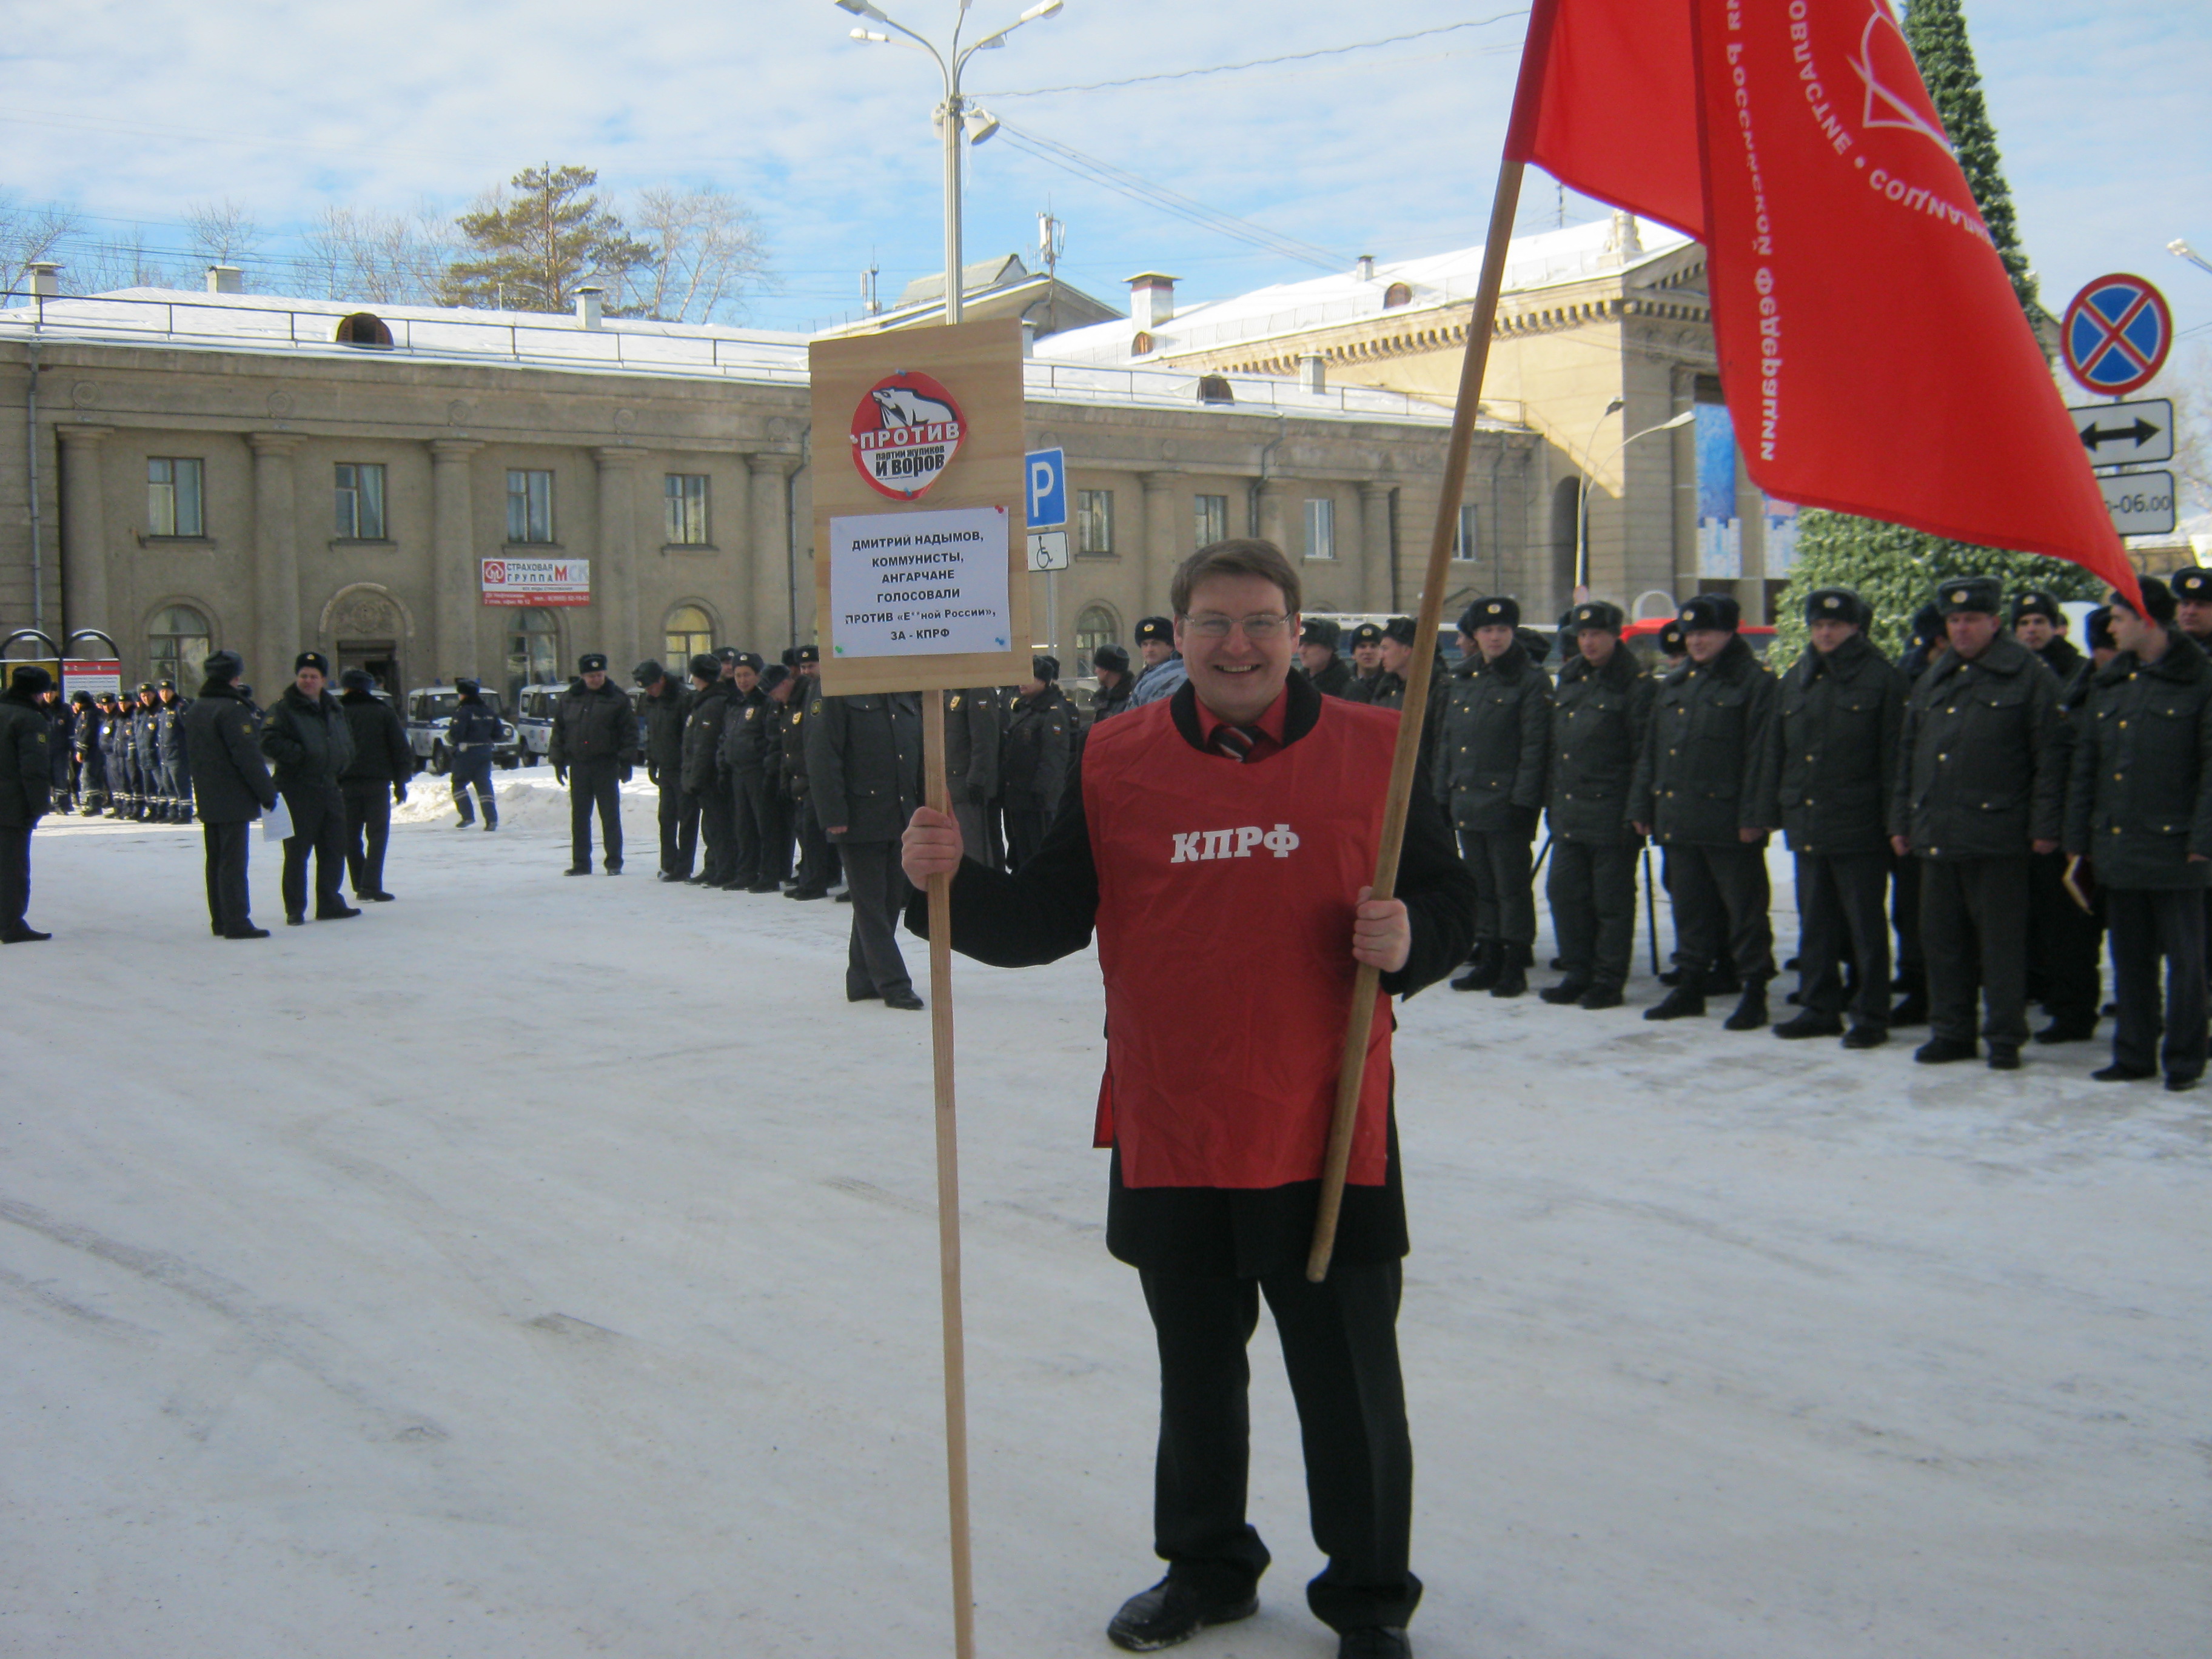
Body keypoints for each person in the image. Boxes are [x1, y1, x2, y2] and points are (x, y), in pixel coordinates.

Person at [900, 538, 1473, 1659]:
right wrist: (944, 884)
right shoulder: (1116, 758)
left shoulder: (1377, 747)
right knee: (1196, 1371)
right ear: (1179, 633)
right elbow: (1052, 914)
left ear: (1297, 632)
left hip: (1326, 1116)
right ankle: (1206, 1566)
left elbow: (1455, 896)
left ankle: (1365, 1597)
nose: (1239, 643)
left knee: (1347, 1384)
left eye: (1261, 620)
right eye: (1213, 621)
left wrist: (1415, 939)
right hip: (1176, 1113)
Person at [1891, 577, 2065, 1070]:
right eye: (1954, 620)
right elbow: (1909, 754)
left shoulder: (2028, 676)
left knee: (2001, 946)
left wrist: (2044, 826)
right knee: (1942, 942)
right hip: (1937, 834)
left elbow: (2050, 758)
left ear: (1994, 622)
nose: (1962, 628)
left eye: (1972, 619)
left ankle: (2005, 1036)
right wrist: (1901, 816)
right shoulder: (1933, 678)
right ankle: (1952, 1030)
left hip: (1999, 836)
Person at [2063, 578, 2209, 1090]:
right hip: (2119, 843)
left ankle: (2186, 1058)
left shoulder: (2200, 679)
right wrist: (2078, 837)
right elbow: (2089, 766)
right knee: (2129, 959)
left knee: (2186, 963)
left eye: (2119, 617)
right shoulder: (2112, 682)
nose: (2110, 626)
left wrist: (2202, 840)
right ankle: (2134, 1052)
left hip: (2177, 848)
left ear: (2147, 619)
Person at [1631, 592, 1778, 1029]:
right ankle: (1691, 983)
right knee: (1689, 908)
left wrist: (1755, 816)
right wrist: (1643, 804)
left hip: (1730, 821)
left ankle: (1754, 988)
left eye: (1706, 633)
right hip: (1679, 817)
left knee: (1745, 911)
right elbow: (1653, 752)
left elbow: (1762, 754)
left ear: (1730, 633)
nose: (1696, 642)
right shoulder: (1677, 684)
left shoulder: (1754, 682)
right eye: (1691, 633)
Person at [1770, 588, 1908, 1047]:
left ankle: (1871, 1013)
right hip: (1808, 820)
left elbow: (1895, 759)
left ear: (1855, 628)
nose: (1825, 633)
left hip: (1861, 824)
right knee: (1816, 922)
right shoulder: (1797, 678)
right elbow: (1779, 752)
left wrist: (1896, 822)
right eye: (1817, 625)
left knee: (1865, 926)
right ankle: (1819, 1005)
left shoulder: (1881, 679)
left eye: (1834, 625)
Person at [1435, 597, 1550, 997]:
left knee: (1511, 885)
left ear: (1512, 633)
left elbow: (1535, 746)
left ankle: (1514, 960)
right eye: (1487, 631)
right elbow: (1449, 741)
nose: (1495, 637)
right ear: (1476, 636)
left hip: (1506, 804)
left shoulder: (1531, 680)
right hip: (1467, 799)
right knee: (1480, 883)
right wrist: (1442, 794)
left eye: (1502, 630)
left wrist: (1524, 802)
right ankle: (1489, 954)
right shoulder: (1464, 677)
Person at [1541, 600, 1652, 1009]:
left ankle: (1607, 978)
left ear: (1615, 635)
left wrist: (1639, 809)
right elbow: (1557, 748)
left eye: (1597, 635)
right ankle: (1578, 971)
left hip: (1612, 810)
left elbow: (1645, 754)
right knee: (1564, 894)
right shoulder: (1570, 678)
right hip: (1570, 810)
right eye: (1583, 635)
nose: (1589, 642)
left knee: (1611, 903)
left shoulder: (1635, 684)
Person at [806, 678, 923, 1010]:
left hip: (898, 812)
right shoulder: (837, 687)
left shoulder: (898, 690)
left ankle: (862, 979)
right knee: (871, 903)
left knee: (887, 901)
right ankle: (894, 983)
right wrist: (833, 812)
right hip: (858, 814)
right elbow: (822, 752)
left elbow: (912, 751)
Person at [259, 651, 361, 926]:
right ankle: (295, 908)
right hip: (297, 788)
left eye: (313, 676)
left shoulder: (334, 708)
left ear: (324, 680)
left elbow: (345, 740)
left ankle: (329, 902)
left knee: (334, 847)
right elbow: (267, 740)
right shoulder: (283, 709)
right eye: (303, 675)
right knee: (297, 852)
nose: (308, 681)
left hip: (329, 787)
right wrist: (301, 756)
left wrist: (344, 760)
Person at [184, 649, 280, 939]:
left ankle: (221, 919)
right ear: (235, 677)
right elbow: (247, 756)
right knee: (233, 862)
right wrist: (267, 792)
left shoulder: (197, 707)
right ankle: (237, 920)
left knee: (215, 859)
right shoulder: (232, 710)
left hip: (208, 792)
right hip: (233, 795)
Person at [551, 652, 638, 874]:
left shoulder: (617, 698)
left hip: (606, 764)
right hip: (579, 764)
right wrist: (558, 761)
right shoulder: (570, 698)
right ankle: (581, 863)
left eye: (599, 675)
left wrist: (626, 761)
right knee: (580, 816)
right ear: (583, 676)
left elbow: (629, 732)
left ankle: (614, 862)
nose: (595, 679)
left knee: (609, 815)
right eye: (591, 676)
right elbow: (559, 731)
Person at [336, 668, 412, 902]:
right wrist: (401, 782)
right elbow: (400, 749)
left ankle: (359, 883)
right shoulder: (383, 713)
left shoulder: (336, 712)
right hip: (377, 783)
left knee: (350, 837)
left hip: (345, 784)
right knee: (377, 835)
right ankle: (371, 885)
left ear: (346, 688)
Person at [1000, 655, 1074, 871]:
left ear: (1043, 681)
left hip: (1037, 799)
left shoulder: (1052, 713)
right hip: (1019, 795)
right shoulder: (1024, 708)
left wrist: (1041, 792)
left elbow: (1054, 757)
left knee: (1039, 852)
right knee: (1022, 852)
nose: (1022, 682)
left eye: (1029, 677)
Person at [0, 665, 55, 943]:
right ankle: (10, 924)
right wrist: (38, 807)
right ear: (37, 693)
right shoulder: (30, 720)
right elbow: (33, 769)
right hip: (11, 806)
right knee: (12, 867)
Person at [718, 652, 777, 891]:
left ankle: (769, 874)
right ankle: (746, 872)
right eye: (738, 675)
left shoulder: (765, 702)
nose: (742, 680)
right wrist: (723, 761)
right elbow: (726, 736)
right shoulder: (735, 704)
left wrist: (767, 767)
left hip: (758, 771)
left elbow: (770, 737)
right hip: (737, 772)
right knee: (743, 826)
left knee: (764, 825)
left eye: (747, 675)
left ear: (758, 676)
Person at [635, 659, 695, 882]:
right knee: (666, 818)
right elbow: (652, 732)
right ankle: (668, 863)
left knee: (687, 819)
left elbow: (688, 738)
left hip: (682, 767)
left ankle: (684, 866)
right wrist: (651, 761)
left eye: (651, 686)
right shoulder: (652, 700)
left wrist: (688, 766)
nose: (649, 691)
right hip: (665, 768)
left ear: (661, 679)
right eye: (646, 688)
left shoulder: (681, 698)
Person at [680, 653, 736, 886]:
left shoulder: (712, 703)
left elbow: (705, 744)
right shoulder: (704, 700)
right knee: (711, 825)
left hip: (711, 775)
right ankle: (713, 866)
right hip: (705, 773)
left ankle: (723, 869)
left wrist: (697, 777)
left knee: (718, 825)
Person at [942, 683, 1004, 866]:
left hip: (969, 786)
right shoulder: (952, 689)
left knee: (974, 850)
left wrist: (977, 778)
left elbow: (985, 738)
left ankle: (980, 892)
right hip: (954, 782)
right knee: (960, 847)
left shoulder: (978, 689)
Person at [1128, 615, 1188, 708]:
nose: (1149, 650)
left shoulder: (1180, 675)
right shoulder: (1141, 678)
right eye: (1145, 645)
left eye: (1155, 644)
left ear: (1171, 646)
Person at [154, 680, 193, 823]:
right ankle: (173, 812)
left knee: (180, 784)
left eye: (167, 691)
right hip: (165, 754)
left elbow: (190, 730)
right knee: (168, 785)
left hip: (179, 754)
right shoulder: (163, 710)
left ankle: (185, 813)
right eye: (162, 692)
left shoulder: (180, 707)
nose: (164, 694)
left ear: (173, 692)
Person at [1299, 618, 1354, 697]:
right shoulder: (1298, 683)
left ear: (1329, 648)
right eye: (1300, 645)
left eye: (1309, 645)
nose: (1302, 651)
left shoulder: (1348, 688)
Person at [72, 691, 107, 816]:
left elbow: (86, 734)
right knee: (95, 776)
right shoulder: (95, 712)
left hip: (92, 751)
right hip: (98, 750)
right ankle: (96, 802)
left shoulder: (88, 715)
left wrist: (81, 750)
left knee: (87, 776)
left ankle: (94, 804)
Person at [1090, 644, 1136, 722]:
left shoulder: (1131, 701)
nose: (1096, 671)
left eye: (1098, 667)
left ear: (1105, 670)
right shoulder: (1102, 697)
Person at [1344, 622, 1386, 702]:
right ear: (1353, 654)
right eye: (1362, 646)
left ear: (1383, 652)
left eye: (1374, 646)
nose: (1368, 652)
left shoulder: (1391, 683)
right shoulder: (1343, 682)